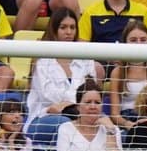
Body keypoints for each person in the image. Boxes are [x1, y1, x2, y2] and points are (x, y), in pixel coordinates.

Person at [25, 8, 103, 141]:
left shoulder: (86, 59)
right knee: (66, 124)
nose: (69, 32)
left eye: (72, 27)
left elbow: (91, 92)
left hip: (80, 116)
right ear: (54, 30)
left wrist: (65, 105)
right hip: (44, 117)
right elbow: (48, 96)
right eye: (63, 27)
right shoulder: (42, 61)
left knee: (108, 127)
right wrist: (75, 101)